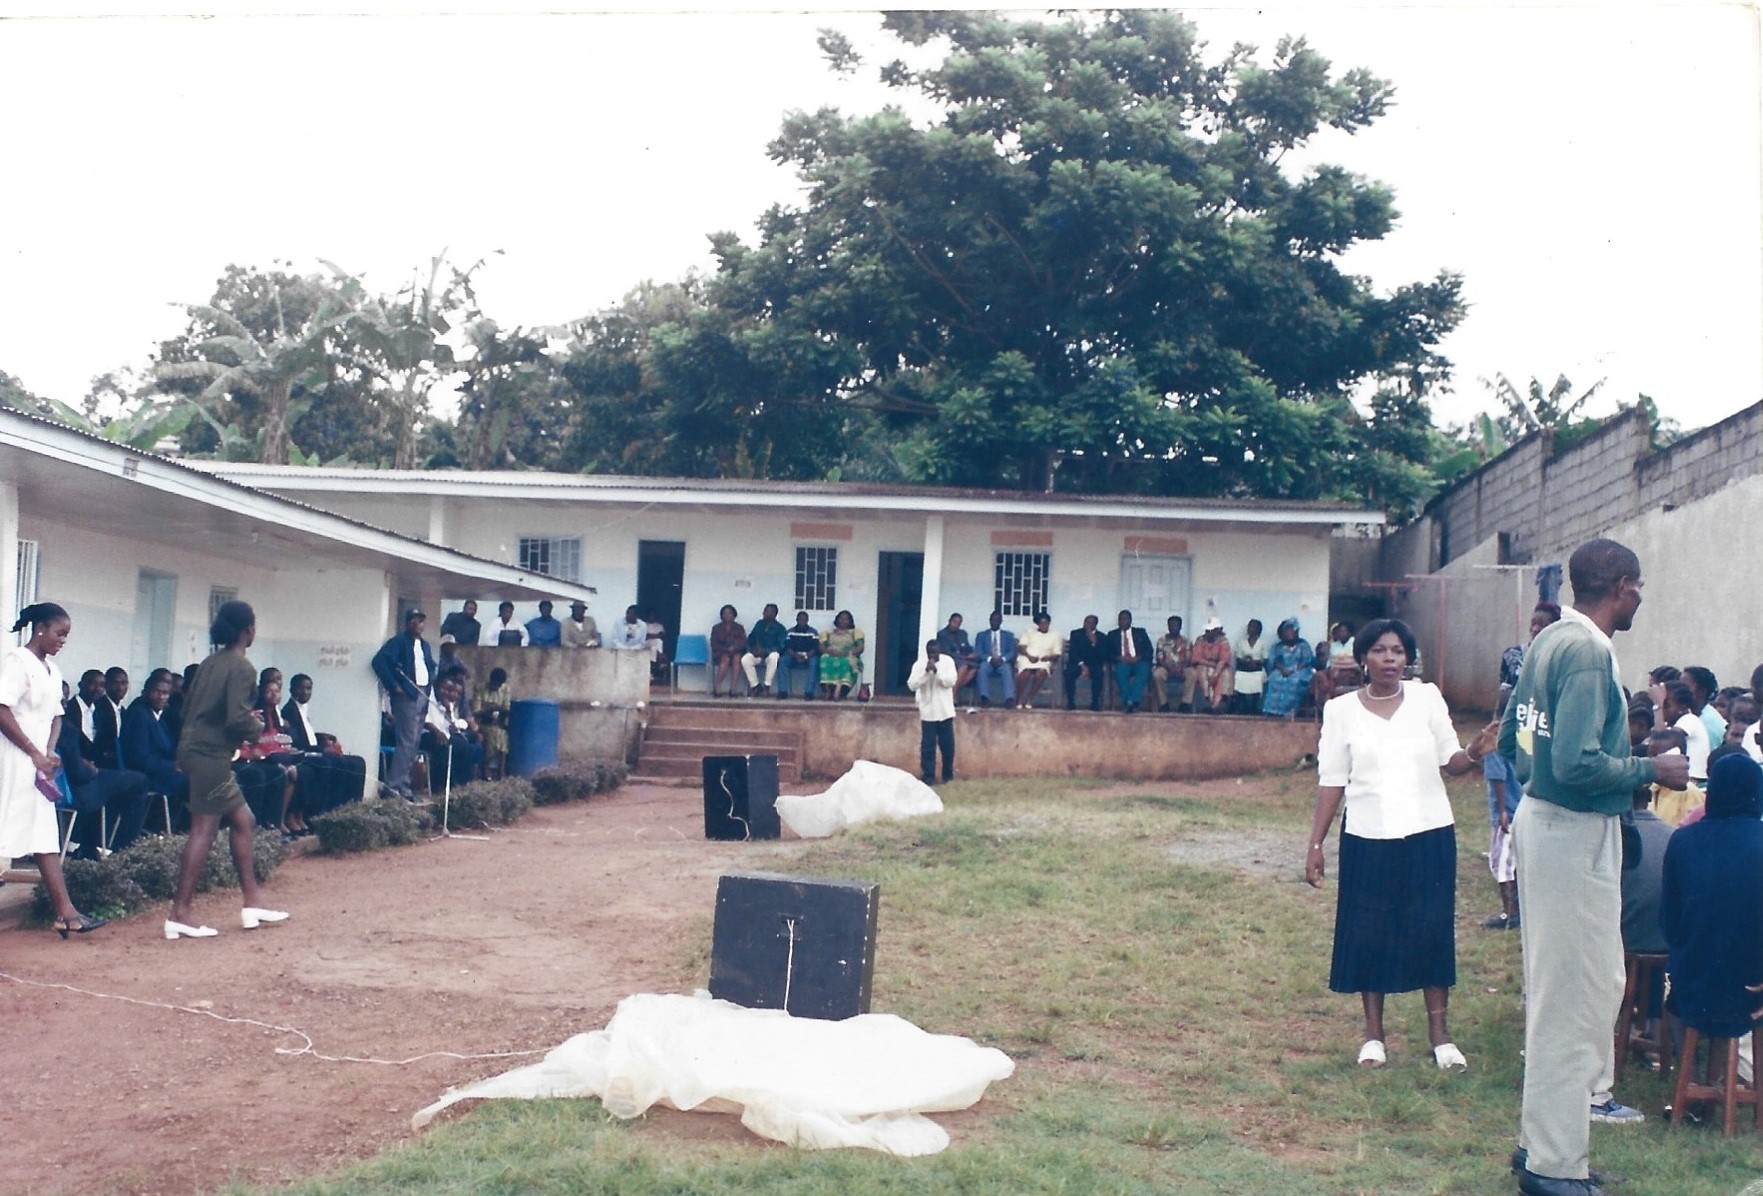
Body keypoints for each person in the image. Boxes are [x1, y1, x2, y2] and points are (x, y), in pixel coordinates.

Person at [1497, 538, 1687, 1196]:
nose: (1639, 596)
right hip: (1572, 828)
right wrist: (1650, 768)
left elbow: (1512, 738)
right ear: (1618, 585)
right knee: (1572, 1001)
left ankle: (1542, 1143)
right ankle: (1553, 1166)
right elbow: (1577, 762)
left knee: (1588, 986)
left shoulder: (1548, 642)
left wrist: (1531, 780)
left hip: (1551, 820)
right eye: (1637, 586)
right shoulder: (1584, 651)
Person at [1305, 617, 1497, 1074]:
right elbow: (1332, 781)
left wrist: (1473, 752)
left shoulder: (1427, 699)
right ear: (1363, 657)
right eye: (1380, 650)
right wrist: (1316, 843)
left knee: (1431, 930)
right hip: (1367, 837)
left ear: (1408, 658)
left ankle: (1440, 1036)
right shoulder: (1341, 710)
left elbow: (1451, 762)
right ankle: (1374, 1036)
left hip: (1429, 834)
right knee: (1369, 934)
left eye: (1398, 651)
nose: (1390, 659)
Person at [167, 601, 289, 940]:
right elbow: (237, 717)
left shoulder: (209, 662)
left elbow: (189, 709)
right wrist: (258, 733)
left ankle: (253, 901)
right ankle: (179, 913)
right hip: (210, 755)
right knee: (203, 830)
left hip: (195, 750)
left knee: (243, 820)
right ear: (248, 630)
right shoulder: (242, 667)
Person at [0, 603, 106, 937]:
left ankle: (66, 913)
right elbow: (1, 710)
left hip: (39, 765)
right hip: (15, 758)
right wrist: (32, 750)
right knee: (6, 830)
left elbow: (56, 716)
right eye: (60, 633)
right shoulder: (18, 662)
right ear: (41, 628)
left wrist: (48, 750)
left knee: (45, 836)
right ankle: (66, 912)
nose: (63, 640)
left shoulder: (52, 669)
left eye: (66, 636)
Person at [1661, 755, 1763, 1093]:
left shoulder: (1683, 841)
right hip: (1751, 992)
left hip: (1693, 985)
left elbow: (1669, 923)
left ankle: (1697, 1077)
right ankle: (1730, 1076)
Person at [371, 608, 436, 800]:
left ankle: (404, 786)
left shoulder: (424, 645)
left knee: (415, 741)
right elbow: (379, 662)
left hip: (423, 693)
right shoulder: (399, 642)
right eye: (414, 620)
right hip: (407, 696)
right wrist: (394, 686)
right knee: (406, 742)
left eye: (421, 621)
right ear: (408, 623)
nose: (418, 624)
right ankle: (392, 786)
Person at [281, 673, 367, 816]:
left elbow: (308, 735)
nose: (305, 692)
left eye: (309, 689)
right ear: (292, 690)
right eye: (301, 689)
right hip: (305, 753)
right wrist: (322, 749)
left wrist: (322, 738)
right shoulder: (289, 711)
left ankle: (350, 808)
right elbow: (298, 742)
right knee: (334, 763)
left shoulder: (303, 709)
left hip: (314, 749)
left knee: (357, 763)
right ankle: (326, 812)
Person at [122, 671, 190, 823]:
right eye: (156, 692)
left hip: (164, 773)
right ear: (146, 692)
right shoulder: (140, 715)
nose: (161, 697)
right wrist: (173, 766)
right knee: (196, 784)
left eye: (165, 693)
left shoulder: (158, 716)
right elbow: (140, 758)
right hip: (149, 776)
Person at [1481, 697, 1522, 931]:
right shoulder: (1523, 735)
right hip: (1524, 806)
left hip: (1507, 811)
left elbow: (1497, 775)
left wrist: (1502, 810)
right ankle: (1518, 909)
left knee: (1502, 864)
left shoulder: (1494, 737)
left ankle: (1510, 913)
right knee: (1517, 863)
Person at [907, 638, 957, 786]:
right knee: (927, 746)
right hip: (928, 712)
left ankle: (947, 775)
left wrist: (937, 672)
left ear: (940, 651)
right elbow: (912, 685)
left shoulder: (948, 662)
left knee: (947, 745)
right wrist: (925, 672)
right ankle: (928, 775)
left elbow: (951, 682)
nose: (933, 656)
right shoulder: (919, 664)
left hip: (944, 711)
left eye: (935, 652)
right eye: (930, 653)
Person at [1499, 602, 1563, 711]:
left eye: (1543, 625)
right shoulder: (1513, 656)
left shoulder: (1561, 660)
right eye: (1533, 624)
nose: (1535, 629)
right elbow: (1503, 696)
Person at [1649, 678, 1709, 786]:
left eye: (1666, 705)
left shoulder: (1690, 720)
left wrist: (1658, 706)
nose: (1663, 710)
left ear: (1683, 706)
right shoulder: (1671, 725)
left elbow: (1660, 743)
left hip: (1693, 784)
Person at [1261, 618, 1315, 719]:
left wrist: (1293, 670)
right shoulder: (1277, 647)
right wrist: (1282, 670)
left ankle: (1291, 711)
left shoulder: (1303, 645)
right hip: (1282, 669)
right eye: (1286, 631)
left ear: (1296, 632)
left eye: (1290, 631)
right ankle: (1273, 711)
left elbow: (1306, 661)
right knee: (1274, 678)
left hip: (1299, 670)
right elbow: (1274, 660)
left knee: (1294, 680)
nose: (1288, 634)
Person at [1105, 609, 1153, 713]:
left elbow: (1149, 650)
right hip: (1123, 662)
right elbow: (1107, 653)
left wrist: (1138, 658)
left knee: (1144, 670)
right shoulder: (1112, 634)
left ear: (1130, 620)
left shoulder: (1140, 632)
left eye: (1125, 619)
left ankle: (1130, 701)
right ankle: (1131, 701)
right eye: (1120, 619)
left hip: (1138, 661)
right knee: (1120, 671)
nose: (1122, 621)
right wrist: (1119, 658)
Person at [1186, 618, 1234, 714]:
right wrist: (1212, 665)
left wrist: (1216, 672)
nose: (1208, 632)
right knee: (1204, 673)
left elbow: (1224, 659)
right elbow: (1197, 658)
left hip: (1219, 666)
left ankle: (1218, 704)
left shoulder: (1223, 641)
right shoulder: (1200, 640)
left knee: (1225, 674)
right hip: (1203, 664)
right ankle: (1208, 703)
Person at [1015, 611, 1061, 710]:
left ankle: (1029, 699)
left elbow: (1057, 654)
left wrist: (1048, 657)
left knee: (1041, 673)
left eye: (1046, 623)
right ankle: (1018, 699)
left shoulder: (1055, 635)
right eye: (1042, 623)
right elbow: (1021, 647)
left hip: (1044, 660)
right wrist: (1029, 656)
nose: (1044, 625)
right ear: (1037, 624)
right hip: (1027, 658)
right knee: (1025, 674)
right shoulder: (1029, 631)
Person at [818, 610, 865, 701]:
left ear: (850, 621)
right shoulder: (828, 633)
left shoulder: (855, 632)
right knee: (824, 659)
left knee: (846, 662)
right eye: (841, 619)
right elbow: (821, 647)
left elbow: (860, 648)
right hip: (831, 653)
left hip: (848, 654)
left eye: (846, 619)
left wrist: (846, 653)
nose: (843, 621)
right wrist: (830, 652)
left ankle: (838, 690)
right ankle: (827, 690)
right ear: (837, 620)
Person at [741, 603, 786, 697]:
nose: (766, 613)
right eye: (765, 611)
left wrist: (766, 651)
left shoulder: (780, 628)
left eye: (769, 611)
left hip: (769, 656)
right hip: (757, 655)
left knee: (774, 656)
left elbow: (781, 646)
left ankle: (766, 687)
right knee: (745, 659)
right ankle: (755, 686)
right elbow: (750, 639)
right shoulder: (759, 624)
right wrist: (752, 650)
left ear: (775, 614)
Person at [974, 611, 1017, 708]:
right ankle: (984, 698)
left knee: (1007, 669)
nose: (994, 622)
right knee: (982, 668)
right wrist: (990, 659)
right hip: (988, 661)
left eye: (997, 620)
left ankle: (1009, 699)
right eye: (992, 620)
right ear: (989, 621)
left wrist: (1003, 659)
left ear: (1001, 621)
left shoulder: (1008, 635)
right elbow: (979, 651)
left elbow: (1012, 651)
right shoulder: (981, 635)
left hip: (1002, 662)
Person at [476, 667, 512, 779]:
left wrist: (493, 707)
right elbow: (476, 711)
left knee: (504, 736)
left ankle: (501, 772)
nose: (496, 687)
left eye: (499, 685)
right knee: (493, 734)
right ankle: (486, 771)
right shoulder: (480, 689)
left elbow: (506, 708)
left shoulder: (505, 689)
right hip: (483, 723)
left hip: (499, 723)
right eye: (494, 684)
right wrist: (490, 710)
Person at [1065, 615, 1106, 711]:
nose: (1087, 624)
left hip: (1094, 664)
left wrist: (1094, 643)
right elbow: (1073, 652)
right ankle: (1070, 702)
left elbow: (1103, 655)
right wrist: (1082, 665)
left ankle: (1095, 703)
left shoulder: (1102, 637)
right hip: (1078, 663)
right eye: (1086, 622)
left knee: (1099, 674)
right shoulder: (1075, 634)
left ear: (1095, 624)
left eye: (1090, 622)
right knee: (1069, 673)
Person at [777, 611, 820, 700]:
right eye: (800, 619)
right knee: (783, 661)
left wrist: (806, 656)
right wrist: (796, 656)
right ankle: (782, 692)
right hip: (793, 655)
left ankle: (809, 693)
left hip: (809, 655)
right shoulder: (790, 632)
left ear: (808, 620)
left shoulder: (813, 632)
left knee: (814, 662)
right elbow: (788, 647)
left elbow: (815, 648)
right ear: (796, 620)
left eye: (804, 619)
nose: (802, 621)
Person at [1151, 615, 1189, 713]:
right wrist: (1170, 669)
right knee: (1157, 674)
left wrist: (1180, 668)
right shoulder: (1162, 641)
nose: (1173, 627)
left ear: (1180, 627)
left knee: (1192, 673)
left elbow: (1189, 658)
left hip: (1182, 668)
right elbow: (1159, 658)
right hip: (1165, 668)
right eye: (1171, 625)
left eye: (1175, 625)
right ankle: (1164, 703)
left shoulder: (1186, 641)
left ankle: (1186, 703)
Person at [936, 614, 980, 696]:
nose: (956, 625)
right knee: (964, 666)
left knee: (974, 669)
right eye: (954, 622)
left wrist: (972, 653)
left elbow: (966, 647)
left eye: (958, 623)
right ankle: (953, 694)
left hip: (963, 659)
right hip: (950, 660)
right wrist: (965, 657)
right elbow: (947, 652)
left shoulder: (962, 634)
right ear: (949, 621)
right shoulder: (942, 634)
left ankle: (953, 691)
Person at [710, 604, 747, 698]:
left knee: (737, 658)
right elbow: (714, 644)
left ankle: (733, 689)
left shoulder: (739, 628)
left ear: (734, 615)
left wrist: (734, 648)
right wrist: (726, 649)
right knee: (725, 659)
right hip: (720, 653)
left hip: (736, 652)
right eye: (725, 613)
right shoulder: (716, 628)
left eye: (729, 613)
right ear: (721, 615)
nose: (727, 615)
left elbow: (743, 643)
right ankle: (718, 687)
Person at [1232, 619, 1267, 714]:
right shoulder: (1241, 643)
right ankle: (1245, 706)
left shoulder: (1262, 643)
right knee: (1239, 677)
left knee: (1258, 678)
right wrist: (1247, 663)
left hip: (1258, 669)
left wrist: (1256, 663)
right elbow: (1238, 658)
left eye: (1252, 627)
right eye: (1249, 626)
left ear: (1258, 629)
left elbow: (1265, 659)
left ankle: (1254, 706)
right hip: (1244, 668)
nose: (1250, 629)